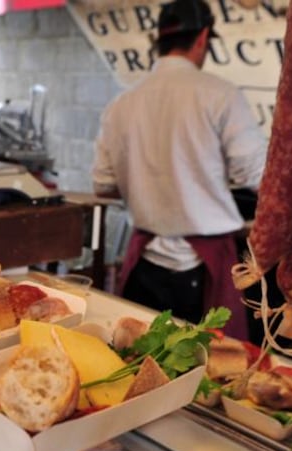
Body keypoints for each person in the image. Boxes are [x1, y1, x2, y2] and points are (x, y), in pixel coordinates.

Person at [92, 0, 266, 340]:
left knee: (143, 365)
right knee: (207, 373)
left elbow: (102, 184)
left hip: (145, 265)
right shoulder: (220, 95)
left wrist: (149, 183)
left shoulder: (123, 104)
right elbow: (256, 177)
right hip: (202, 272)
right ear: (202, 38)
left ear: (159, 40)